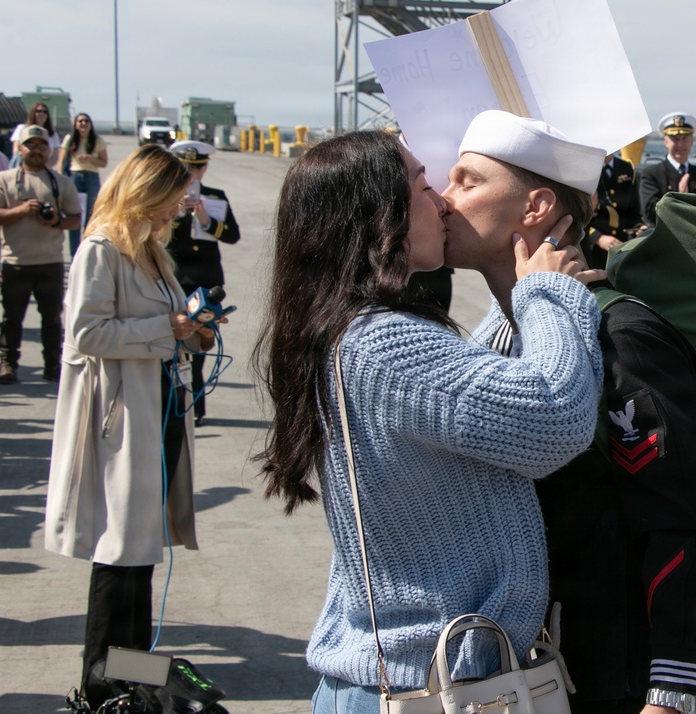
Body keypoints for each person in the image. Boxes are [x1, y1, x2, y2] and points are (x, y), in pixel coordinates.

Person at [252, 129, 605, 714]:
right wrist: (547, 293)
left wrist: (516, 291)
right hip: (426, 687)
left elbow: (473, 386)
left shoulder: (352, 329)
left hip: (407, 679)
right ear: (379, 215)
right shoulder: (382, 345)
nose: (442, 201)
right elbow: (552, 417)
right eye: (423, 185)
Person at [442, 109, 696, 714]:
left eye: (467, 181)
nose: (445, 199)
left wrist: (670, 692)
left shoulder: (618, 333)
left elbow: (683, 519)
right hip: (549, 663)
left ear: (536, 207)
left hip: (624, 677)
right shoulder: (504, 331)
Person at [44, 144, 218, 710]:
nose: (177, 210)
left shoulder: (152, 252)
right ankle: (101, 684)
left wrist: (196, 330)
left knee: (139, 549)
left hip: (160, 404)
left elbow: (168, 324)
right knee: (118, 551)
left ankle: (134, 675)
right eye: (171, 199)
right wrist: (166, 327)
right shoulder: (101, 249)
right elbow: (85, 334)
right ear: (145, 194)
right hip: (120, 416)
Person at [0, 125, 81, 384]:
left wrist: (56, 221)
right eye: (31, 145)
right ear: (19, 148)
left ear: (48, 150)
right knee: (11, 318)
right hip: (16, 262)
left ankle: (52, 365)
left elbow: (75, 219)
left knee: (52, 320)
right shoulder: (4, 179)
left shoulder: (61, 182)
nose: (36, 150)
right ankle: (8, 365)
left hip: (50, 262)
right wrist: (22, 210)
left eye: (41, 145)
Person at [166, 139, 240, 426]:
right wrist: (178, 213)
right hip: (177, 280)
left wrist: (207, 221)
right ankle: (175, 402)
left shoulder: (214, 197)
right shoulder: (167, 197)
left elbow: (232, 235)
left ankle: (195, 407)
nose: (192, 174)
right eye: (186, 169)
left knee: (199, 347)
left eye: (196, 169)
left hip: (207, 283)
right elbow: (157, 236)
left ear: (204, 169)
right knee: (175, 346)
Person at [639, 113, 696, 227]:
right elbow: (651, 213)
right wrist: (680, 200)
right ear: (666, 142)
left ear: (692, 141)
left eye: (685, 139)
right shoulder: (651, 174)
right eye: (675, 139)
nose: (680, 144)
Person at [581, 153, 643, 270]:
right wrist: (596, 237)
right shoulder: (583, 169)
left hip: (621, 249)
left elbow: (633, 210)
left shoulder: (626, 167)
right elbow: (577, 213)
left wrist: (639, 227)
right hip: (593, 251)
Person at [61, 113, 109, 256]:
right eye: (80, 121)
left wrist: (90, 159)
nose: (83, 123)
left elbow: (104, 162)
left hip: (91, 176)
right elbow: (61, 161)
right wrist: (61, 179)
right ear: (75, 124)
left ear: (90, 124)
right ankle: (74, 254)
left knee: (91, 216)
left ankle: (87, 252)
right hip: (75, 176)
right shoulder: (70, 139)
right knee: (75, 215)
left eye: (86, 121)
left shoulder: (97, 140)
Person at [10, 102, 61, 169]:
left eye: (45, 112)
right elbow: (16, 149)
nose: (42, 114)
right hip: (23, 168)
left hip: (44, 169)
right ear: (33, 113)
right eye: (38, 111)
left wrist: (41, 168)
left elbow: (55, 157)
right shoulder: (22, 128)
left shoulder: (53, 134)